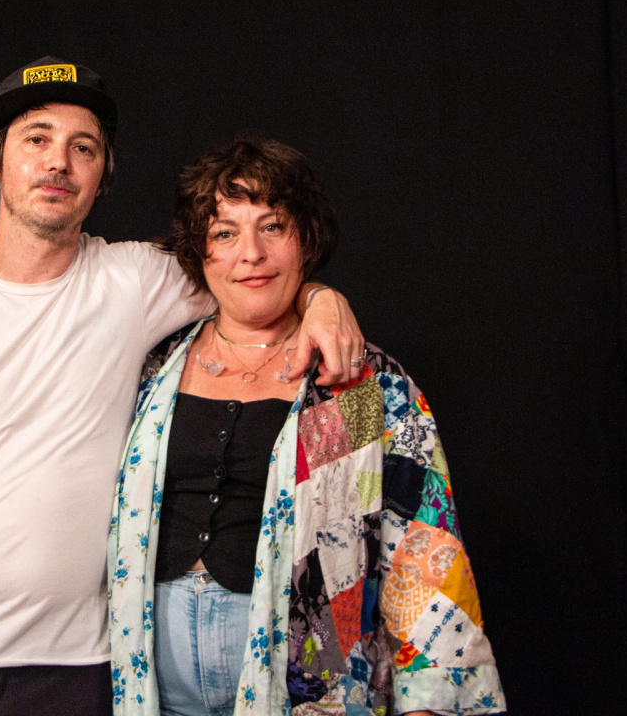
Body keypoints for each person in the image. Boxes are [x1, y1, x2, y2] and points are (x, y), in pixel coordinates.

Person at [0, 58, 366, 716]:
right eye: (37, 139)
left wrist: (321, 297)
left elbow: (249, 269)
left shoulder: (136, 280)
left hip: (77, 666)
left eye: (84, 148)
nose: (58, 162)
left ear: (102, 175)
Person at [108, 139, 506, 715]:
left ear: (307, 240)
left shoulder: (352, 381)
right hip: (155, 685)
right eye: (224, 233)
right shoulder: (155, 368)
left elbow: (421, 545)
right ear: (200, 250)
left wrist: (426, 700)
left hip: (308, 681)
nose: (251, 253)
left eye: (273, 227)